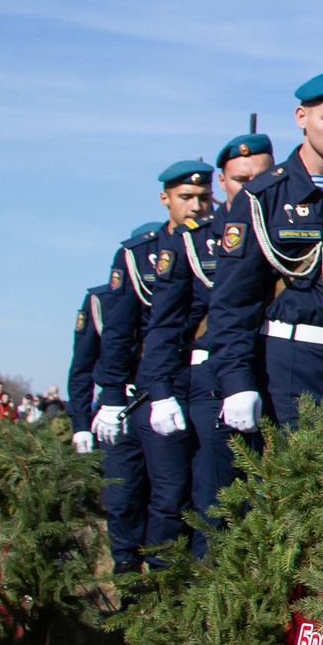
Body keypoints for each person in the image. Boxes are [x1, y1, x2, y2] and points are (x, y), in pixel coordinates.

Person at [206, 75, 323, 435]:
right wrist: (236, 381)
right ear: (301, 117)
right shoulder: (261, 199)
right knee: (289, 487)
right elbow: (233, 302)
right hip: (289, 367)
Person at [141, 135, 275, 552]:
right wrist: (161, 392)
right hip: (214, 382)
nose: (251, 186)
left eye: (261, 176)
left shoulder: (292, 231)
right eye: (239, 179)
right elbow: (164, 328)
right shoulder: (192, 242)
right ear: (222, 184)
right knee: (219, 511)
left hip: (277, 372)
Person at [99, 161, 214, 556]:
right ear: (165, 199)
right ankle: (161, 590)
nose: (197, 206)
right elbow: (118, 330)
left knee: (205, 491)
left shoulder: (219, 242)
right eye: (186, 198)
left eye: (204, 197)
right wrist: (112, 393)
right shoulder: (139, 254)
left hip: (205, 378)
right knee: (167, 493)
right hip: (156, 384)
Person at [85, 221, 166, 571]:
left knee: (162, 496)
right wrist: (81, 420)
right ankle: (127, 573)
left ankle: (162, 572)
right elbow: (84, 365)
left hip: (160, 400)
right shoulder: (101, 300)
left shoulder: (170, 294)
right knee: (122, 497)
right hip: (120, 405)